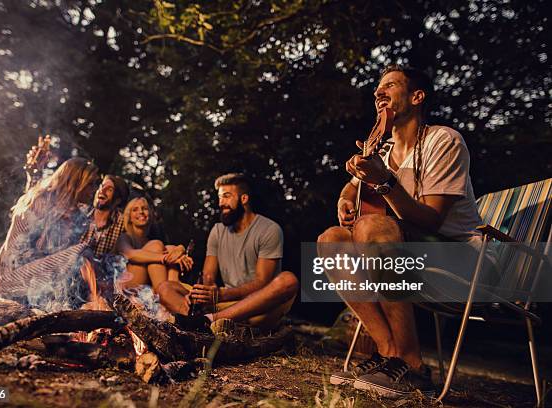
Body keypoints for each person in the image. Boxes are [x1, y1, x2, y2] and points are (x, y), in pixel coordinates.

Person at [318, 65, 488, 399]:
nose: (378, 93)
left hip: (461, 259)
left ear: (417, 96)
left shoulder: (443, 140)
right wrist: (344, 201)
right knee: (331, 240)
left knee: (372, 227)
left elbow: (431, 220)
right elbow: (349, 188)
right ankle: (389, 352)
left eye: (390, 86)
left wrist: (383, 180)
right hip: (413, 252)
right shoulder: (381, 149)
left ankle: (413, 365)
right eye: (377, 89)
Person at [157, 173, 299, 332]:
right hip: (225, 303)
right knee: (165, 288)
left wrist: (221, 295)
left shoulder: (269, 229)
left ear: (244, 199)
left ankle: (207, 321)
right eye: (219, 197)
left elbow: (262, 282)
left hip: (257, 306)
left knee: (289, 280)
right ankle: (198, 323)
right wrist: (201, 294)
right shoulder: (217, 231)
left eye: (226, 196)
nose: (221, 203)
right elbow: (208, 276)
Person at [0, 158, 100, 310]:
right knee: (81, 252)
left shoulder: (77, 216)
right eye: (91, 184)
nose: (95, 189)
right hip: (10, 279)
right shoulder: (40, 202)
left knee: (81, 257)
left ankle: (89, 305)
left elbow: (61, 264)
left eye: (96, 184)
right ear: (75, 183)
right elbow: (16, 256)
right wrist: (70, 256)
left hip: (39, 283)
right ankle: (96, 301)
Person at [116, 196, 193, 291]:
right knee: (156, 245)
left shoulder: (150, 239)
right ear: (129, 218)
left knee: (170, 249)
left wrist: (180, 250)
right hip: (125, 285)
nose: (141, 212)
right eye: (135, 210)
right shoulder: (125, 237)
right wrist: (165, 258)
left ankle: (174, 286)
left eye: (144, 208)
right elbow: (130, 254)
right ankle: (163, 293)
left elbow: (171, 251)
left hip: (145, 285)